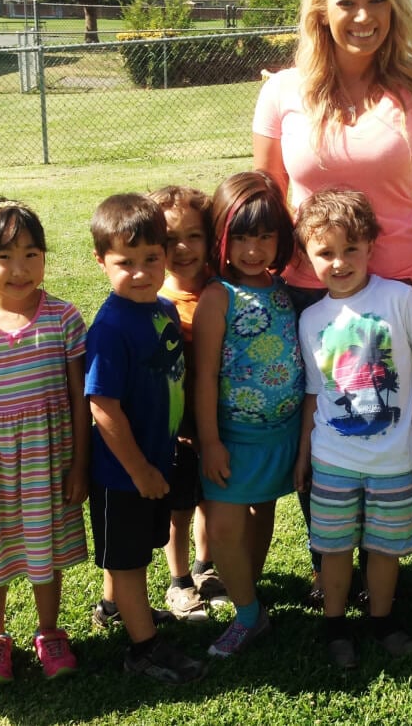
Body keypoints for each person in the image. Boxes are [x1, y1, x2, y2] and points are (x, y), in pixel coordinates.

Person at [252, 0, 412, 599]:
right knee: (328, 428)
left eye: (377, 0)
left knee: (402, 429)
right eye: (347, 2)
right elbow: (268, 199)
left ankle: (393, 562)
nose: (364, 17)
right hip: (310, 290)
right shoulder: (282, 92)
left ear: (395, 4)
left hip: (402, 284)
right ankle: (331, 563)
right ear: (320, 8)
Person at [294, 188, 412, 669]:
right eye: (325, 253)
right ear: (307, 256)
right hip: (332, 459)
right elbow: (315, 393)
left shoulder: (399, 298)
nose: (339, 262)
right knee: (334, 549)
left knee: (384, 549)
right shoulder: (310, 318)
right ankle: (335, 625)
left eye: (350, 250)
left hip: (394, 460)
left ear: (370, 246)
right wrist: (303, 456)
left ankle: (382, 620)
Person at [0, 198, 89, 685]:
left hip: (49, 461)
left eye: (32, 254)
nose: (19, 268)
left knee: (45, 549)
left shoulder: (63, 318)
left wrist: (79, 467)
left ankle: (50, 634)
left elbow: (79, 398)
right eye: (4, 256)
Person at [86, 193, 208, 684]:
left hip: (157, 459)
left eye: (150, 259)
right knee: (130, 561)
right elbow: (103, 405)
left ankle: (115, 611)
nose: (140, 273)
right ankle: (144, 650)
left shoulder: (161, 309)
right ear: (101, 263)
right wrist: (138, 469)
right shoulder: (111, 327)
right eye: (125, 263)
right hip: (123, 472)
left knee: (134, 552)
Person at [193, 171, 305, 658]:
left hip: (283, 436)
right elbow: (205, 378)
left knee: (263, 513)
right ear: (222, 236)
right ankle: (247, 614)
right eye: (240, 237)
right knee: (222, 530)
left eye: (264, 236)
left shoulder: (283, 289)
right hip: (234, 440)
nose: (253, 249)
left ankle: (250, 594)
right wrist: (211, 442)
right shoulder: (218, 297)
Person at [149, 185, 227, 618]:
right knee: (178, 507)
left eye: (194, 236)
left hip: (217, 422)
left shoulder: (222, 291)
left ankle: (205, 565)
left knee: (211, 499)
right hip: (175, 429)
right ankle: (179, 581)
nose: (182, 248)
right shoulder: (155, 301)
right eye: (169, 238)